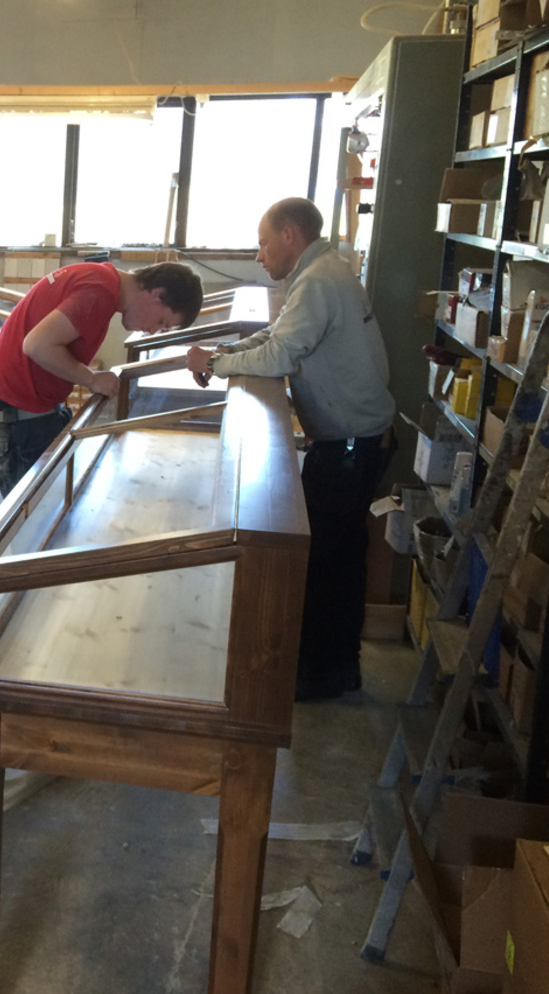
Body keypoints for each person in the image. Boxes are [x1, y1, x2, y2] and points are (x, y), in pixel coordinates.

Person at [185, 197, 396, 701]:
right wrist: (226, 352)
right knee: (337, 557)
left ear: (289, 236)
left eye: (262, 244)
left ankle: (323, 673)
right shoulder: (319, 274)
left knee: (326, 563)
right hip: (351, 440)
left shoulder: (319, 280)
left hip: (350, 446)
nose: (259, 256)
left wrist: (213, 366)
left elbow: (281, 354)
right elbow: (277, 334)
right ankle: (336, 667)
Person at [0, 260, 204, 496]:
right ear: (157, 294)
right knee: (31, 507)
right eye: (161, 322)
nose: (152, 330)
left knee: (44, 499)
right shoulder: (100, 291)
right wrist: (92, 378)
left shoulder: (102, 279)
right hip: (18, 410)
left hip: (27, 406)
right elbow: (37, 345)